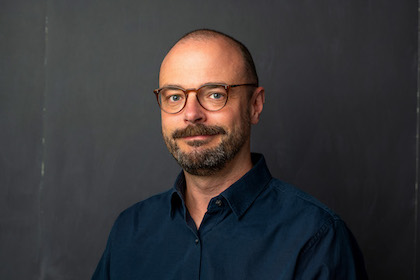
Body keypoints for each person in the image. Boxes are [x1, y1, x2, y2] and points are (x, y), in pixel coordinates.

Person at [92, 29, 368, 279]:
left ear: (255, 106)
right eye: (175, 96)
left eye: (214, 94)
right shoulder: (129, 231)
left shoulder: (316, 238)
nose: (191, 114)